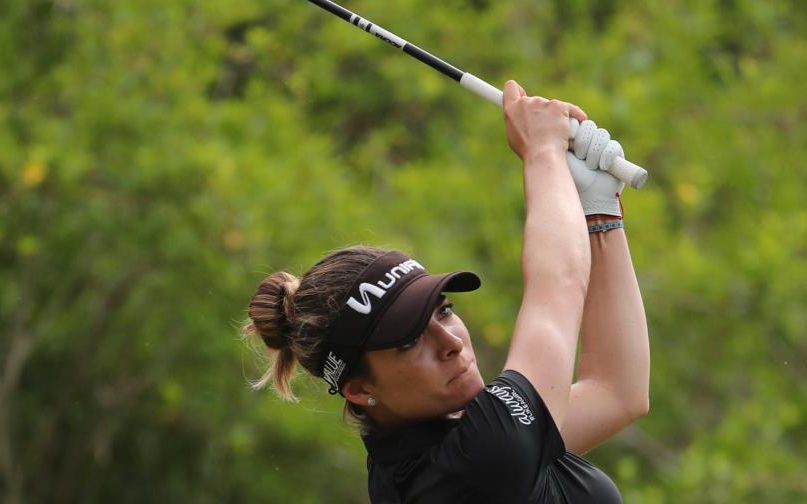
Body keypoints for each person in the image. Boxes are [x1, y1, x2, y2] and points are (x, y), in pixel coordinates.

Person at [243, 80, 649, 503]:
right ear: (361, 390)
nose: (451, 342)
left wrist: (598, 211)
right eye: (409, 341)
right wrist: (542, 152)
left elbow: (616, 392)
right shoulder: (478, 460)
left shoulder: (436, 450)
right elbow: (560, 283)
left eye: (443, 311)